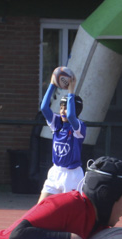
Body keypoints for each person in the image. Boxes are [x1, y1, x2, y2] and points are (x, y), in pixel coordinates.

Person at [38, 70, 86, 204]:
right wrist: (53, 84)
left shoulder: (79, 127)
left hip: (72, 175)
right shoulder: (57, 123)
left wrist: (71, 90)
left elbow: (71, 116)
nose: (63, 111)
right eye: (61, 108)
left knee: (72, 213)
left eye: (66, 108)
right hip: (55, 172)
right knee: (40, 208)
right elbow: (44, 108)